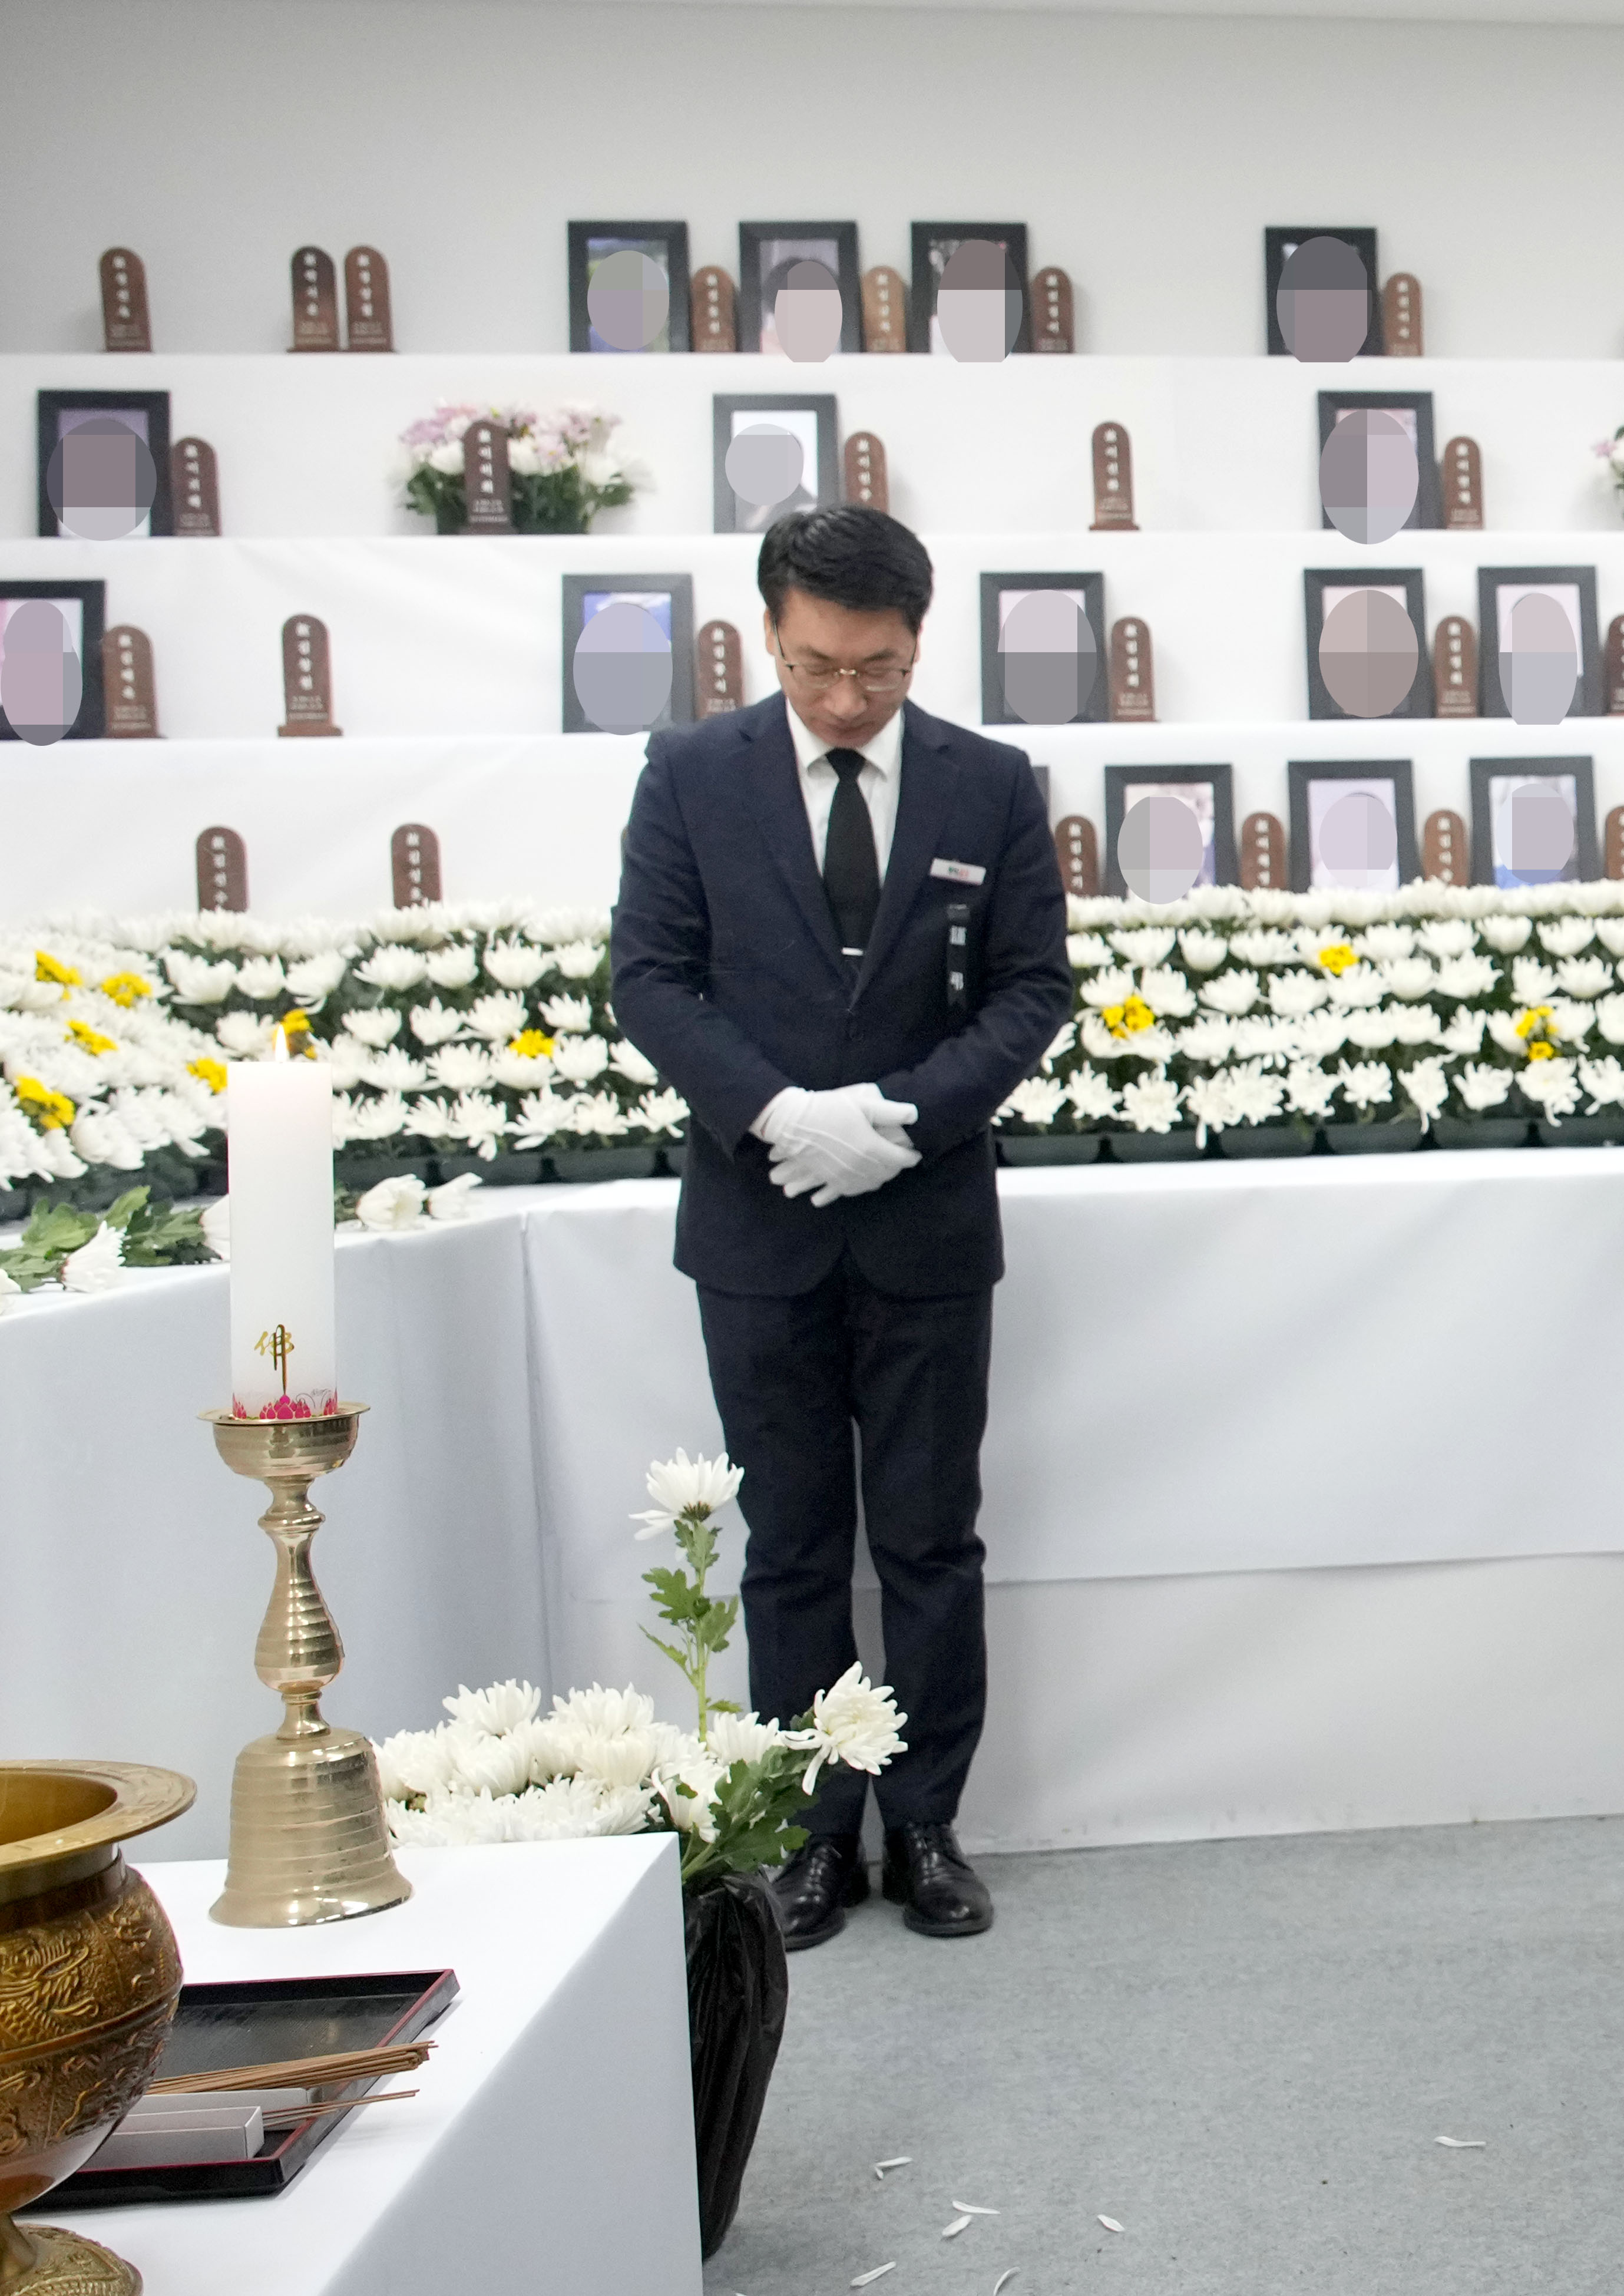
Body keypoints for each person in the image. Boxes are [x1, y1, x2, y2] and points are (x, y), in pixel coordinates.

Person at [610, 505, 1074, 1950]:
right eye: (818, 665)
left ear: (917, 642)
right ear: (771, 630)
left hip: (927, 1216)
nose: (844, 696)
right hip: (759, 1220)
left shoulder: (987, 782)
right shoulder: (691, 772)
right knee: (793, 1541)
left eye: (875, 669)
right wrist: (778, 1114)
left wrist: (903, 1119)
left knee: (933, 1536)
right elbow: (651, 976)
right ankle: (810, 1827)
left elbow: (1031, 987)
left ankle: (926, 1821)